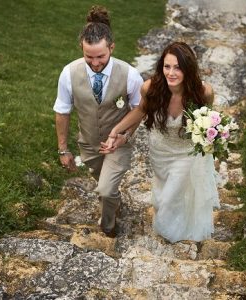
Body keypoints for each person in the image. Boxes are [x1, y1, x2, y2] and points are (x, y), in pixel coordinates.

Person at [101, 42, 220, 243]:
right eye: (167, 66)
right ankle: (178, 226)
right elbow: (140, 111)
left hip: (185, 152)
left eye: (177, 67)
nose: (171, 73)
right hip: (160, 151)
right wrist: (117, 131)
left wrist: (214, 135)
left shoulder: (203, 92)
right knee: (162, 195)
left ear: (188, 69)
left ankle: (170, 237)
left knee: (169, 198)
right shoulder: (150, 88)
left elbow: (210, 120)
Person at [53, 6, 143, 238]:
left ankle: (109, 227)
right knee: (107, 187)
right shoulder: (68, 73)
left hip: (119, 143)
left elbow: (139, 110)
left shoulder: (130, 75)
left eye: (101, 56)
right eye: (89, 57)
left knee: (104, 189)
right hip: (89, 145)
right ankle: (114, 200)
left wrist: (125, 136)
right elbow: (62, 111)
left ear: (111, 47)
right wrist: (63, 149)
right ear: (81, 49)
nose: (95, 63)